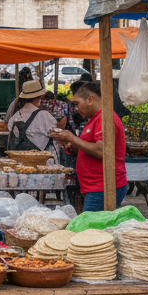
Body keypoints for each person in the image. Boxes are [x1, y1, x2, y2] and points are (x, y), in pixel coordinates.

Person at [50, 81, 127, 211]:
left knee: (92, 229)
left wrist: (72, 137)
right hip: (95, 187)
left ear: (90, 99)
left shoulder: (105, 118)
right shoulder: (95, 119)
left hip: (103, 187)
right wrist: (69, 145)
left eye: (77, 104)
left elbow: (103, 151)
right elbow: (89, 149)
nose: (76, 109)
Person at [6, 80, 63, 153]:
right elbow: (55, 134)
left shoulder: (15, 116)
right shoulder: (44, 116)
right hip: (42, 161)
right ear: (39, 97)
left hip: (20, 160)